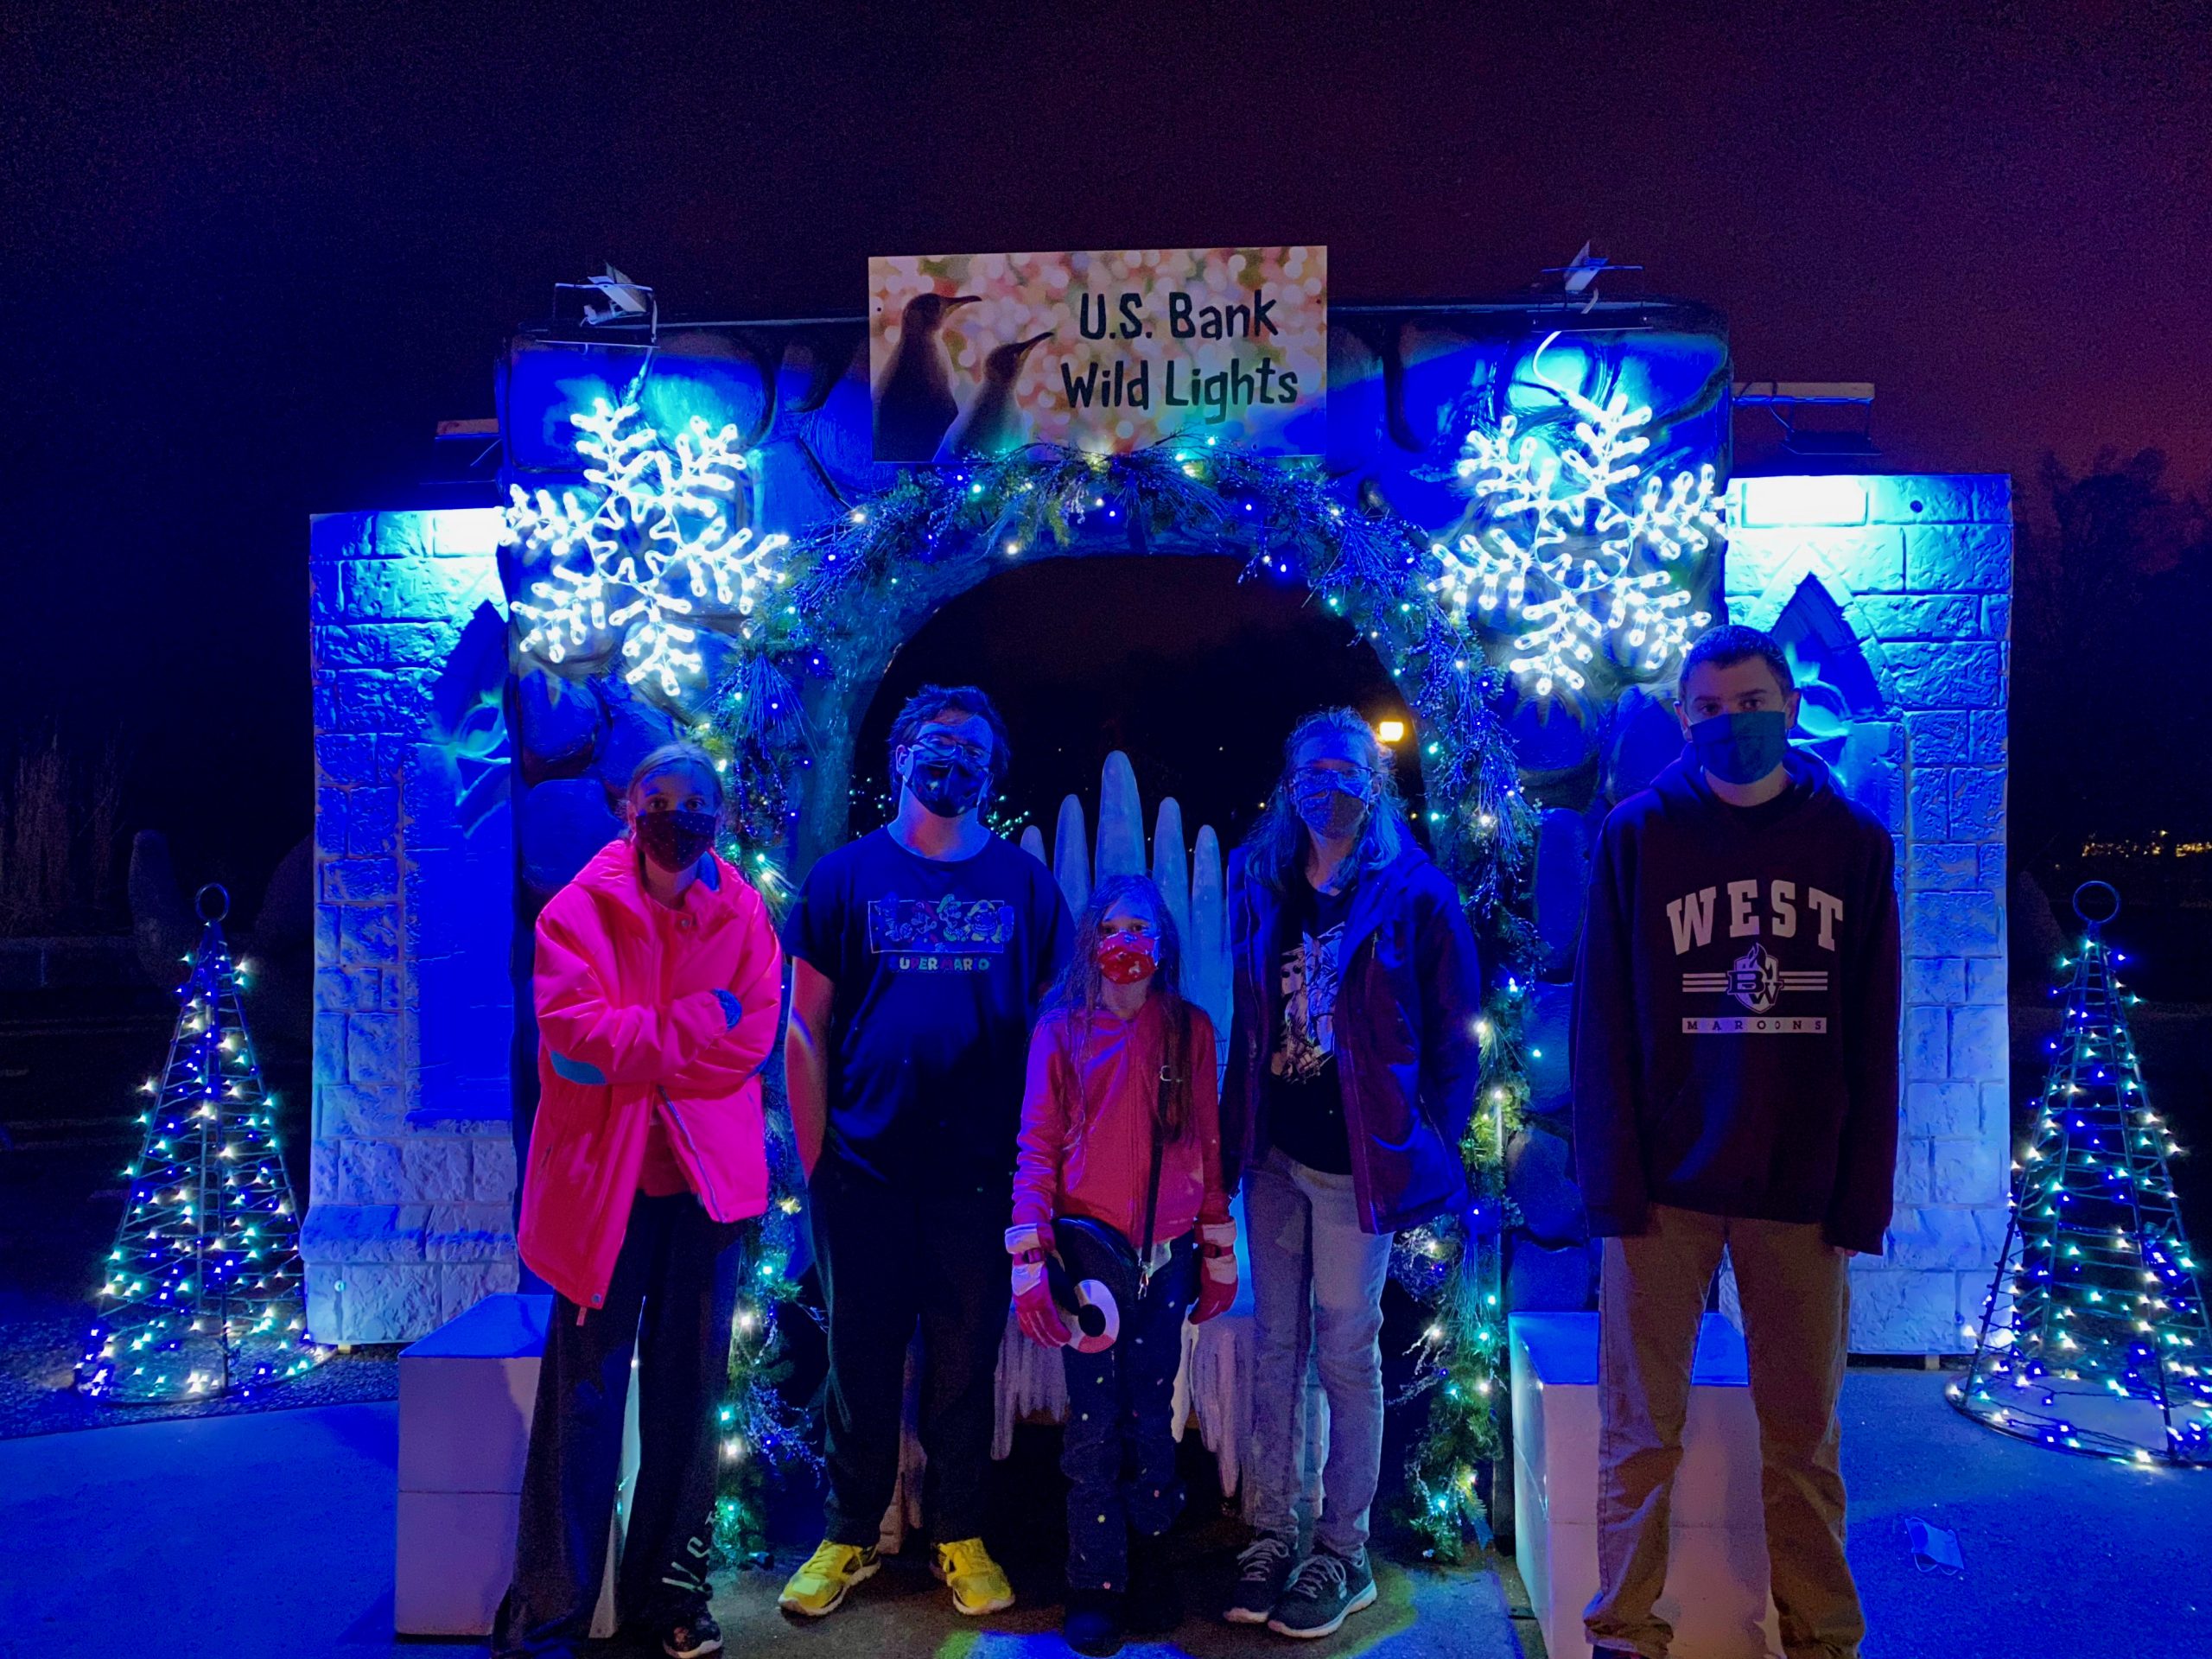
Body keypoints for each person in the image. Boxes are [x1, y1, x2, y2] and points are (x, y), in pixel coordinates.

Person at [1572, 623, 1900, 1659]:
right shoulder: (1636, 836)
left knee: (1804, 1438)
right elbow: (1600, 1024)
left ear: (1789, 706)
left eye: (1750, 703)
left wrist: (1862, 1194)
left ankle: (1821, 1638)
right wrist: (1612, 1187)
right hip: (1663, 1191)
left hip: (1800, 1187)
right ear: (1683, 719)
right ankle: (1624, 1632)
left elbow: (1873, 1031)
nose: (1730, 725)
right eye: (1709, 709)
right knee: (1637, 1435)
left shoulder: (1852, 845)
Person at [776, 684, 1073, 1619]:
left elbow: (1055, 1036)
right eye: (937, 744)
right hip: (861, 1172)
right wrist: (818, 1163)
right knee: (858, 1361)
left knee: (963, 1366)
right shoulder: (843, 878)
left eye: (974, 752)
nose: (954, 763)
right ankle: (848, 1534)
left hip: (981, 1180)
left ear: (994, 773)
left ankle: (959, 1533)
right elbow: (804, 1028)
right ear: (901, 754)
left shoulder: (1028, 887)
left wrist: (1037, 1177)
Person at [496, 743, 786, 1659]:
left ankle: (670, 1602)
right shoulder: (576, 911)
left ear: (719, 814)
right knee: (581, 1405)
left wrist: (645, 1052)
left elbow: (753, 1038)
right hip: (602, 1195)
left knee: (687, 1402)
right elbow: (577, 1041)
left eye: (695, 800)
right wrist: (696, 1021)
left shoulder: (745, 913)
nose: (678, 815)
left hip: (708, 1193)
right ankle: (549, 1621)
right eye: (660, 799)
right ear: (631, 807)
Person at [1219, 707, 1484, 1639]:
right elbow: (1252, 1023)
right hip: (1275, 1158)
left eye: (1344, 770)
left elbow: (1455, 1040)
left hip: (1353, 1169)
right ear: (1289, 786)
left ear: (1374, 782)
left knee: (1344, 1351)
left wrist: (1423, 1142)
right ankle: (1270, 1535)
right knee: (1274, 1347)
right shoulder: (1261, 882)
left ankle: (1342, 1549)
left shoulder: (1416, 894)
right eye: (1311, 772)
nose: (1326, 786)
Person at [1007, 874, 1240, 1658]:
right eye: (1111, 928)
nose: (1126, 943)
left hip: (1167, 1256)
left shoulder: (1189, 1030)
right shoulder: (1061, 1031)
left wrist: (1217, 1249)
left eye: (1140, 928)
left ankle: (1150, 1559)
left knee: (1153, 1409)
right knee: (1094, 1420)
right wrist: (1030, 1254)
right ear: (1091, 941)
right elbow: (1037, 1144)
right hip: (1089, 1252)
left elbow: (1208, 1141)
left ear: (1163, 941)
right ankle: (1093, 1578)